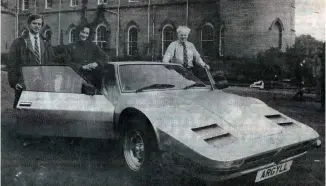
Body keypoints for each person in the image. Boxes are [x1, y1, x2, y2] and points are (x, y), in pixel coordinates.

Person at [7, 13, 54, 108]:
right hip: (24, 84)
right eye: (34, 23)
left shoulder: (45, 43)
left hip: (43, 85)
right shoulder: (18, 42)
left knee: (42, 114)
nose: (37, 26)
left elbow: (51, 63)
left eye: (39, 24)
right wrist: (14, 82)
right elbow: (11, 64)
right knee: (22, 115)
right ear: (29, 24)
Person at [64, 23, 109, 90]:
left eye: (87, 33)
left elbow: (105, 58)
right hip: (75, 82)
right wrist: (81, 67)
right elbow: (66, 63)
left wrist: (96, 63)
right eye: (83, 32)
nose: (84, 35)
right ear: (78, 32)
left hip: (92, 83)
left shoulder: (93, 46)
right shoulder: (70, 47)